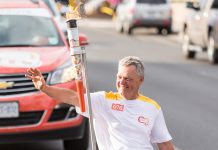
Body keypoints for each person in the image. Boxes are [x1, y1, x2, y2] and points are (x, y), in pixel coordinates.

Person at [26, 56, 174, 150]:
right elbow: (72, 97)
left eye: (128, 79)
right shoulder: (104, 101)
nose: (122, 82)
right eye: (119, 77)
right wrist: (45, 88)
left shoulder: (152, 107)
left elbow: (165, 144)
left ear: (140, 80)